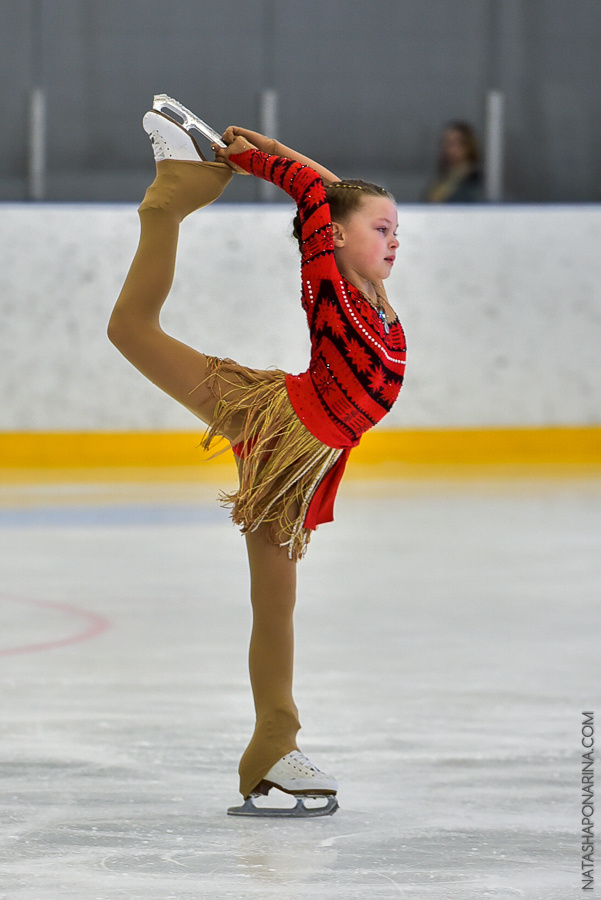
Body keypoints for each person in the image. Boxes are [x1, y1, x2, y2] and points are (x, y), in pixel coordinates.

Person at [108, 96, 407, 817]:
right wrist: (257, 159)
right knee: (130, 328)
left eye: (398, 229)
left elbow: (331, 195)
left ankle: (274, 742)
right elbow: (318, 199)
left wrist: (280, 149)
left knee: (275, 602)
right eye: (382, 229)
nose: (395, 241)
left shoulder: (366, 282)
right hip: (279, 429)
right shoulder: (331, 280)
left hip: (306, 448)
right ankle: (166, 206)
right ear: (333, 237)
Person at [424, 120, 484, 203]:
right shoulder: (442, 179)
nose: (448, 148)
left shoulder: (476, 183)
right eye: (445, 142)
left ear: (468, 146)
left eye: (454, 143)